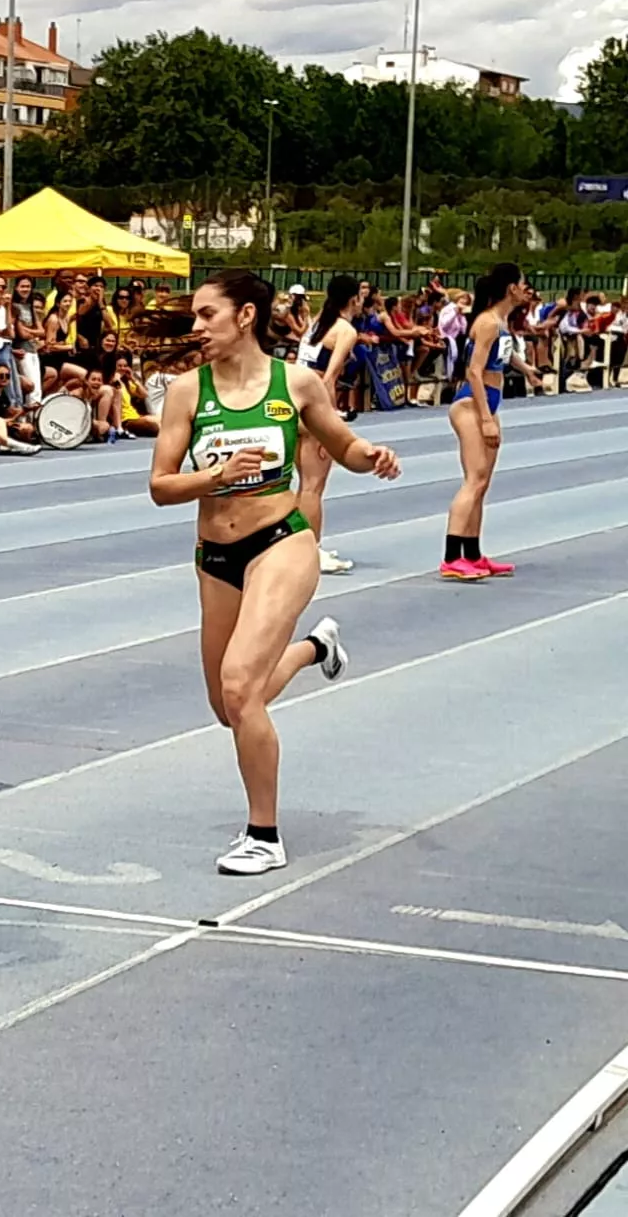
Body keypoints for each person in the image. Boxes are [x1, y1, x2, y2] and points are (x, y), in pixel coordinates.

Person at [148, 270, 401, 877]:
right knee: (228, 704)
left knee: (240, 685)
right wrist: (217, 477)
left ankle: (264, 833)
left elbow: (343, 446)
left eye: (207, 315)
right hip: (216, 555)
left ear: (246, 316)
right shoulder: (187, 391)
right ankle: (317, 648)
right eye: (193, 317)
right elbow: (161, 486)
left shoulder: (296, 383)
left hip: (282, 542)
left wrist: (374, 457)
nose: (196, 327)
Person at [442, 263, 523, 581]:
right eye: (522, 284)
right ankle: (451, 557)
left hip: (487, 401)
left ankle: (473, 554)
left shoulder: (500, 321)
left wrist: (526, 370)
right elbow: (474, 370)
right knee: (474, 480)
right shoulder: (488, 322)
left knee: (482, 484)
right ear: (510, 288)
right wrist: (486, 418)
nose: (526, 290)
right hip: (472, 404)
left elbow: (500, 357)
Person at [295, 275, 364, 576]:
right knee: (313, 485)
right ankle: (311, 551)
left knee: (303, 484)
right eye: (361, 296)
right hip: (313, 406)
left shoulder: (316, 322)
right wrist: (328, 422)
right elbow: (328, 378)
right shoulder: (345, 330)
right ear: (353, 299)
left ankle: (298, 545)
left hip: (293, 401)